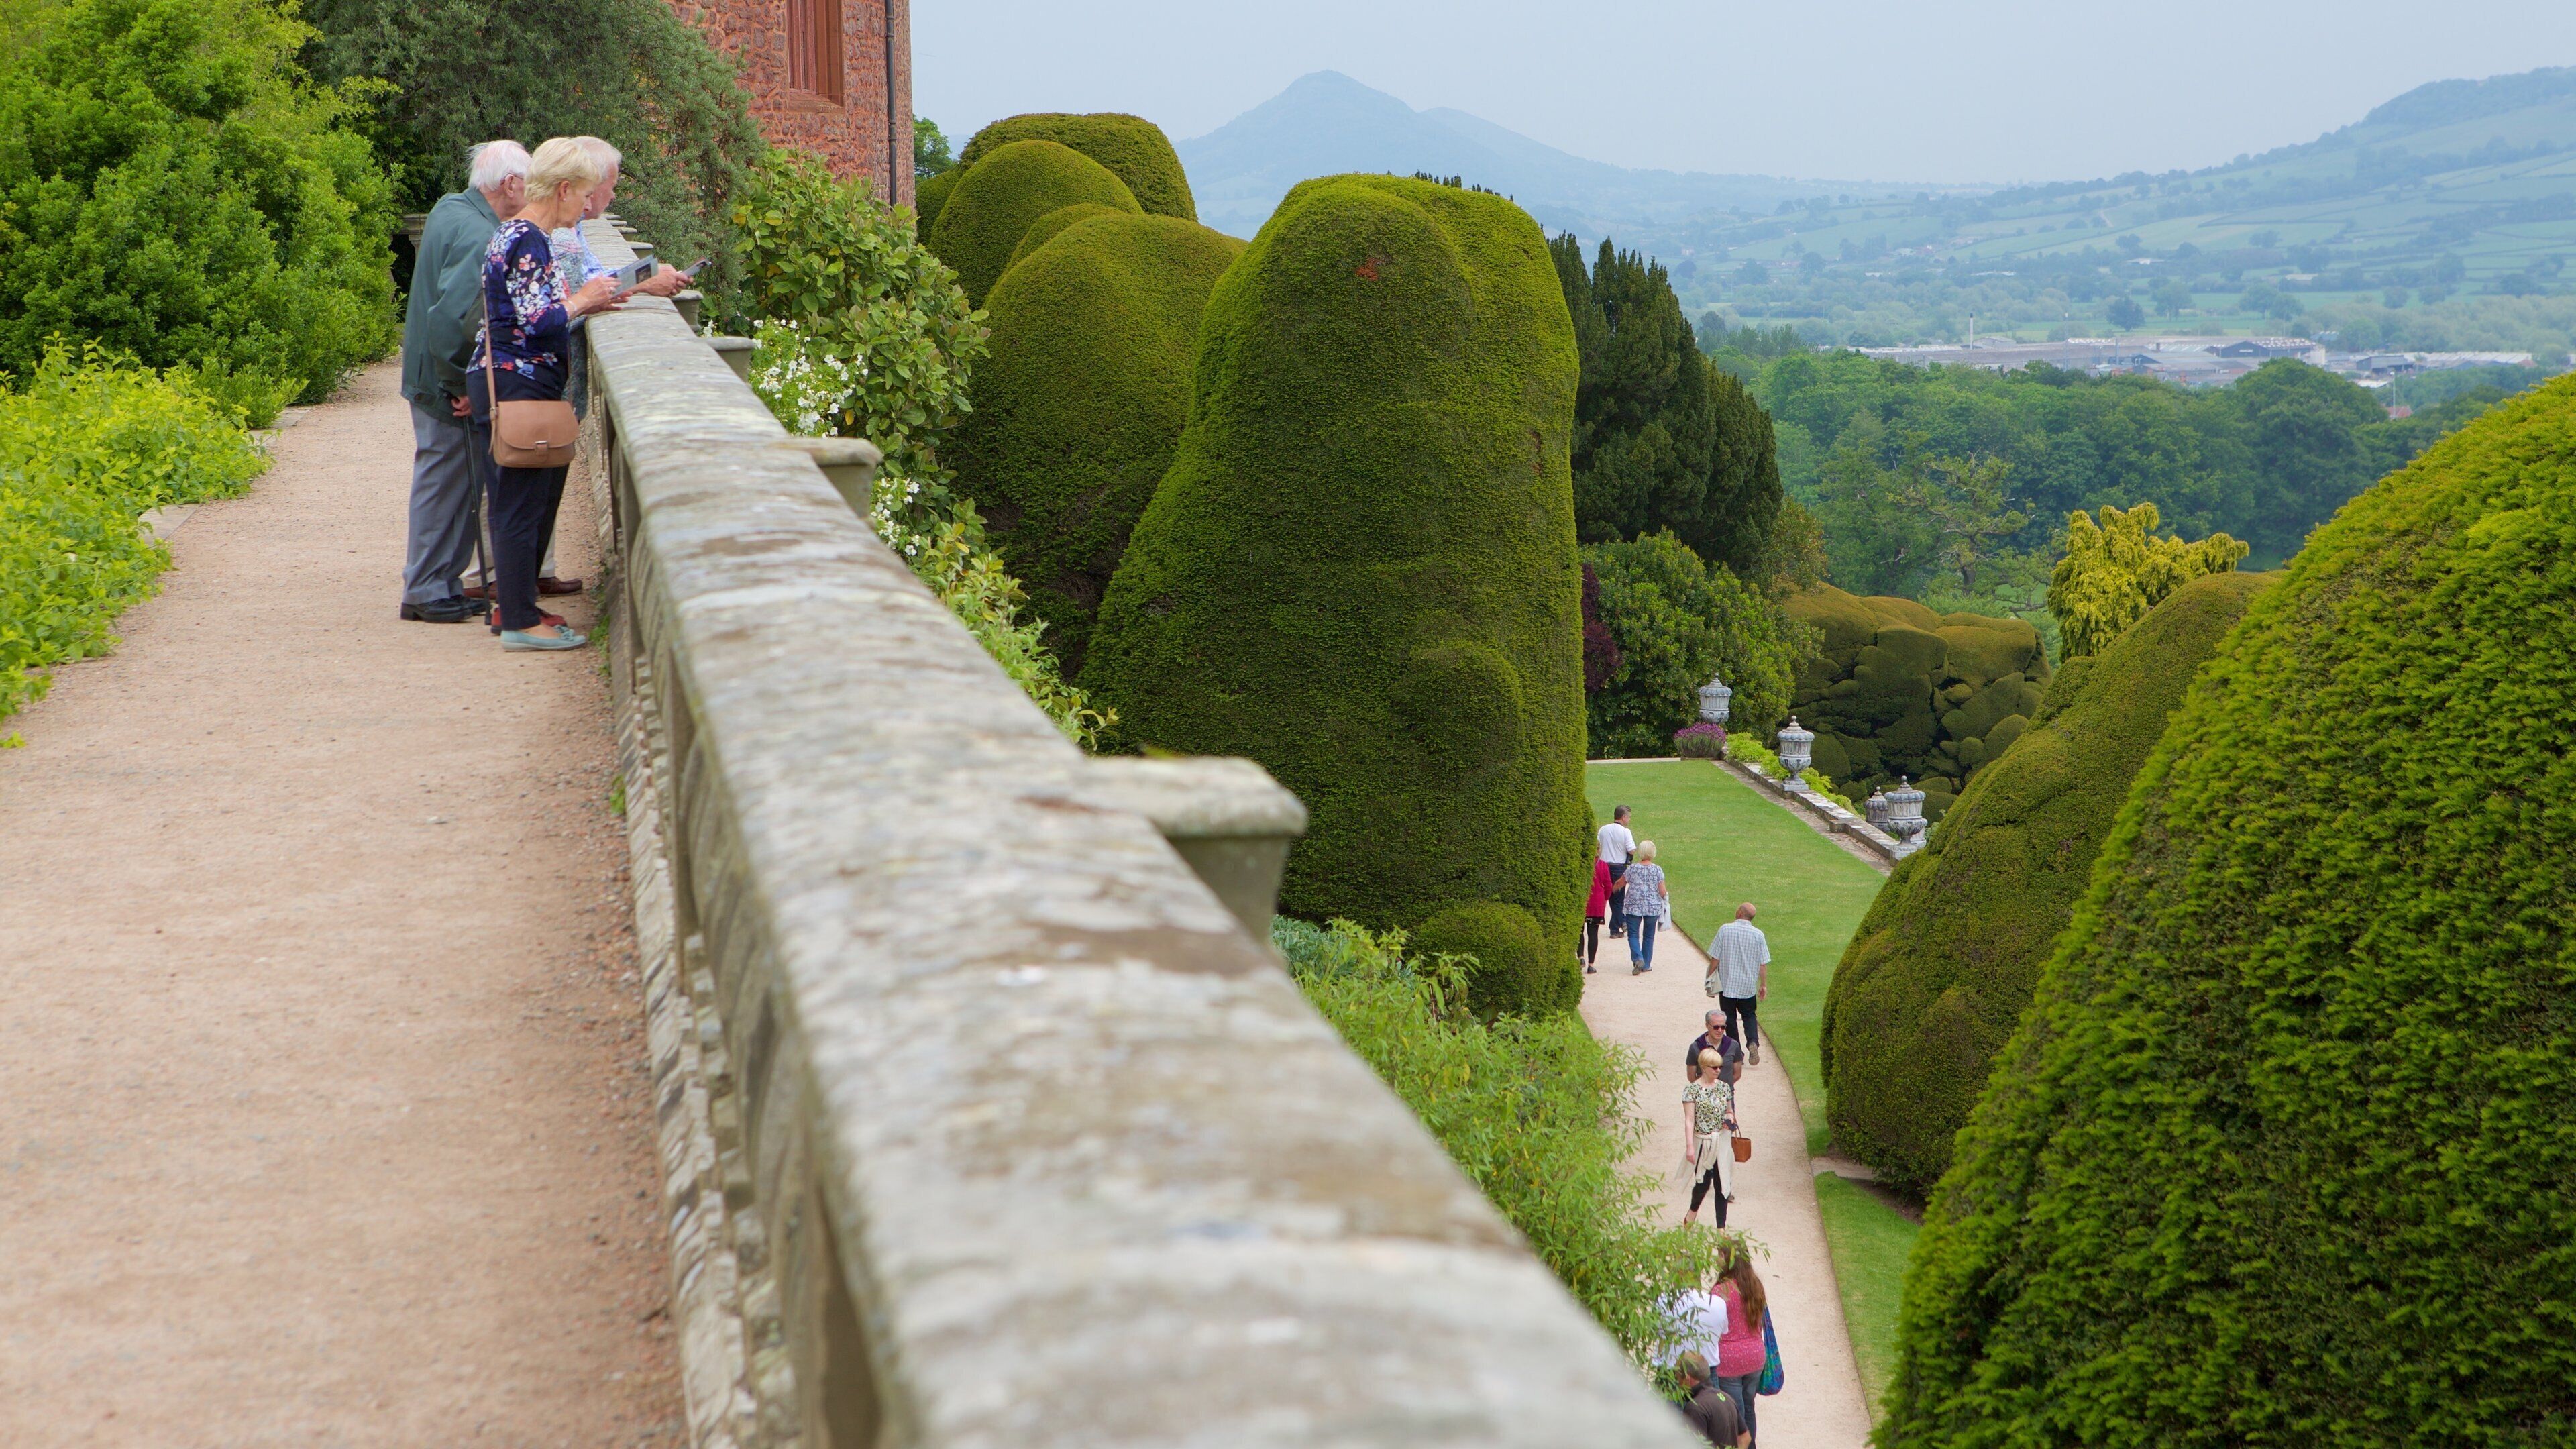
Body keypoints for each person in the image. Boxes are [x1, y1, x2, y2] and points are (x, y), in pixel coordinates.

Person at [468, 136, 624, 651]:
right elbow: (541, 320)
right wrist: (584, 299)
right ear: (561, 190)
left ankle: (516, 609)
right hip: (519, 384)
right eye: (582, 195)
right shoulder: (528, 239)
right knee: (518, 505)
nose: (585, 206)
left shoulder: (511, 232)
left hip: (510, 379)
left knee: (519, 503)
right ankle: (518, 622)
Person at [397, 140, 525, 623]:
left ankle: (440, 584)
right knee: (446, 484)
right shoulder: (481, 233)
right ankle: (427, 589)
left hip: (427, 372)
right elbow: (452, 318)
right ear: (511, 184)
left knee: (452, 483)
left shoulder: (451, 207)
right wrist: (459, 387)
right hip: (442, 381)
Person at [1707, 1250, 1771, 1445]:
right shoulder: (1755, 1286)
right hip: (1755, 1357)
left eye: (1720, 1255)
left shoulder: (1720, 1292)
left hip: (1730, 1361)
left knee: (1736, 1413)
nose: (1717, 1259)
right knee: (1749, 1408)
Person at [1709, 902, 1772, 1067]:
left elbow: (1716, 958)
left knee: (1729, 1019)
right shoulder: (1759, 935)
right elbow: (1762, 964)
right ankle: (1753, 1042)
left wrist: (1709, 977)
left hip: (1728, 985)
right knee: (1749, 1016)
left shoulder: (1725, 930)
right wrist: (1763, 985)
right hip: (1748, 986)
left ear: (1739, 913)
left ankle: (1737, 1053)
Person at [1682, 1047, 1737, 1225]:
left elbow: (1730, 1111)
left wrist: (1729, 1118)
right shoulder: (1691, 1091)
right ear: (1704, 1067)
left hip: (1721, 1141)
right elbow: (1690, 1120)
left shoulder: (1724, 1088)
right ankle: (1692, 1211)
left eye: (1720, 1067)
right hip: (1703, 1142)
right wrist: (1690, 1147)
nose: (1718, 1071)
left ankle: (1721, 1228)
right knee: (1703, 1185)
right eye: (1714, 1067)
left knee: (1723, 1185)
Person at [1674, 1350, 1748, 1448]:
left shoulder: (1695, 1408)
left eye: (1678, 1378)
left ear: (1688, 1378)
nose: (1678, 1384)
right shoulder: (1726, 1397)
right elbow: (1745, 1438)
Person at [1621, 839, 1668, 973]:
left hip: (1634, 906)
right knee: (1648, 936)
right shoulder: (1657, 869)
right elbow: (1662, 891)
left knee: (1633, 935)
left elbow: (1622, 882)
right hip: (1652, 908)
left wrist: (1615, 887)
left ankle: (1637, 958)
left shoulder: (1633, 868)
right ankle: (1646, 964)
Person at [1599, 805, 1635, 934]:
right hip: (1619, 868)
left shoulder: (1603, 829)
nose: (1629, 820)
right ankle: (1615, 928)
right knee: (1619, 900)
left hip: (1604, 867)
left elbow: (1597, 845)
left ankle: (1621, 922)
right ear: (1623, 817)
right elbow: (1631, 849)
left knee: (1611, 897)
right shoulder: (1626, 832)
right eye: (1628, 817)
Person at [1684, 1008, 1743, 1085]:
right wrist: (1705, 1088)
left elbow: (1737, 1074)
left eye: (1723, 1027)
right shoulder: (1695, 1047)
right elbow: (1691, 1077)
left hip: (1726, 1094)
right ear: (1707, 1026)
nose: (1720, 1031)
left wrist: (1723, 1088)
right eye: (1716, 1027)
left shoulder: (1734, 1046)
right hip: (1704, 1094)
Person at [1581, 856, 1611, 973]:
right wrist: (1606, 898)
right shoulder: (1602, 865)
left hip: (1583, 901)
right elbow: (1608, 885)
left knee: (1580, 931)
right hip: (1596, 903)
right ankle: (1591, 965)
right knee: (1593, 934)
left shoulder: (1582, 862)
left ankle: (1581, 957)